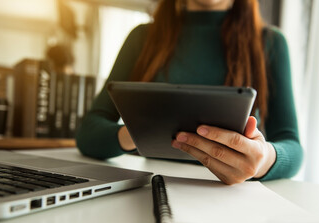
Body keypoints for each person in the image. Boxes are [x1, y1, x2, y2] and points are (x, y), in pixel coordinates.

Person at [76, 0, 302, 185]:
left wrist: (262, 161)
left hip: (233, 196)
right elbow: (88, 133)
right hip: (152, 186)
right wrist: (137, 131)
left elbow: (291, 144)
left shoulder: (270, 43)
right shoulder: (142, 38)